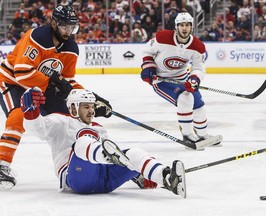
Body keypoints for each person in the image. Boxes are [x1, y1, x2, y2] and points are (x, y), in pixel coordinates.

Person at [0, 5, 112, 189]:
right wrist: (54, 79)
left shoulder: (71, 48)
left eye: (72, 27)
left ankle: (97, 155)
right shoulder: (37, 37)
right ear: (53, 23)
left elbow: (67, 82)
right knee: (19, 116)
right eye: (64, 26)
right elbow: (22, 72)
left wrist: (89, 99)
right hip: (12, 82)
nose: (68, 31)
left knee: (72, 118)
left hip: (43, 86)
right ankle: (2, 165)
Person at [19, 87, 187, 198]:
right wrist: (30, 113)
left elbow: (116, 156)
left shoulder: (100, 129)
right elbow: (38, 128)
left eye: (92, 106)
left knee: (133, 153)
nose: (92, 110)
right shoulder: (60, 122)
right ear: (72, 108)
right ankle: (109, 157)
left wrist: (138, 174)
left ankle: (166, 178)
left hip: (104, 179)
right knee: (83, 142)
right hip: (76, 177)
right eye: (86, 106)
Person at [140, 12, 222, 150]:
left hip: (183, 78)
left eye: (187, 25)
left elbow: (199, 67)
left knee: (199, 104)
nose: (184, 28)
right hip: (162, 80)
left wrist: (194, 78)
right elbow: (146, 51)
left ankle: (202, 134)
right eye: (181, 25)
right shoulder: (162, 37)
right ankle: (187, 135)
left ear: (192, 27)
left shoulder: (197, 46)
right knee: (185, 98)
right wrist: (149, 68)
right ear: (176, 27)